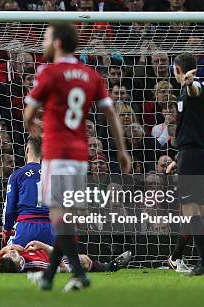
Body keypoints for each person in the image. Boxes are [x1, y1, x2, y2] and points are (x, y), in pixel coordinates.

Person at [23, 22, 131, 292]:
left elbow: (28, 110)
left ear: (58, 42)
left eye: (46, 37)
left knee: (59, 218)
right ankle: (49, 276)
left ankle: (80, 273)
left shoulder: (48, 72)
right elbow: (111, 115)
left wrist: (31, 125)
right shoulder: (90, 75)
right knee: (66, 219)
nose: (43, 41)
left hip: (57, 152)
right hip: (80, 156)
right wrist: (121, 149)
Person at [166, 53, 204, 276]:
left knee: (191, 210)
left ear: (177, 69)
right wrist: (178, 159)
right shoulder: (186, 92)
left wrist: (190, 83)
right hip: (196, 155)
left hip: (194, 156)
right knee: (201, 211)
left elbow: (196, 90)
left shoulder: (194, 88)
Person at [2, 137, 53, 247]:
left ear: (27, 150)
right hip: (49, 228)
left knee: (11, 258)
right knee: (51, 262)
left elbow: (9, 210)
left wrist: (6, 230)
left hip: (25, 227)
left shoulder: (16, 175)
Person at [0, 240, 131, 274]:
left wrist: (3, 250)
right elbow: (64, 269)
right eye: (14, 255)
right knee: (82, 259)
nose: (12, 252)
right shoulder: (37, 266)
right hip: (50, 256)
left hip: (34, 244)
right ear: (19, 265)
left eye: (11, 253)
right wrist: (45, 247)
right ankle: (110, 266)